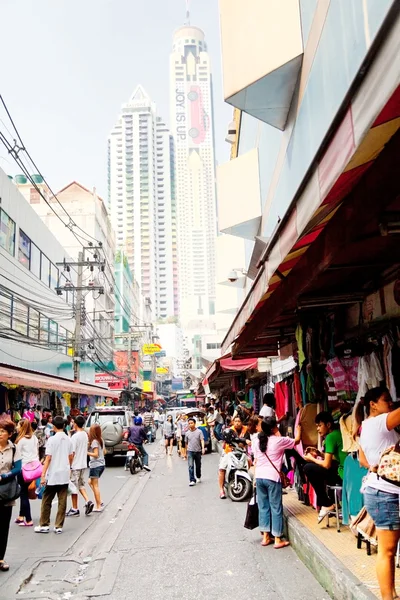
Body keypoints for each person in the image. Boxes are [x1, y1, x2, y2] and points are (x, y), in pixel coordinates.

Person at [356, 387, 400, 600]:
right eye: (387, 400)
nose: (391, 403)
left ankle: (391, 594)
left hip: (380, 489)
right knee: (387, 551)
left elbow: (363, 461)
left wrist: (377, 465)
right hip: (385, 494)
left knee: (388, 551)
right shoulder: (377, 423)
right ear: (373, 404)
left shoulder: (365, 427)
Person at [253, 417, 301, 548]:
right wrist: (299, 429)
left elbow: (256, 459)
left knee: (263, 507)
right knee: (276, 507)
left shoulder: (258, 441)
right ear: (274, 427)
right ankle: (278, 538)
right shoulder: (279, 440)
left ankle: (265, 537)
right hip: (272, 478)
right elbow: (296, 441)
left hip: (259, 477)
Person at [303, 411, 346, 523]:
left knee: (308, 468)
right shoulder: (337, 433)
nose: (318, 429)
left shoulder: (330, 437)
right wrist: (319, 454)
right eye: (316, 426)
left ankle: (326, 503)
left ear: (328, 425)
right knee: (315, 469)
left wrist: (312, 459)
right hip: (345, 470)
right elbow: (336, 458)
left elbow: (327, 465)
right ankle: (328, 502)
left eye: (320, 425)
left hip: (342, 473)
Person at [35, 416, 73, 534]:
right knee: (62, 500)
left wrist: (43, 475)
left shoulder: (52, 440)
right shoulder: (68, 439)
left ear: (54, 427)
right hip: (64, 473)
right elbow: (71, 456)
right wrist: (68, 466)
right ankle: (58, 526)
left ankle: (44, 524)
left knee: (47, 499)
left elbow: (48, 458)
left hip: (53, 473)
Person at [0, 417, 21, 571]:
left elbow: (18, 468)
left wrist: (5, 475)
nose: (0, 434)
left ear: (9, 434)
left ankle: (1, 558)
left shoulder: (14, 448)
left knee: (3, 527)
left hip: (6, 491)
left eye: (2, 431)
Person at [66, 415, 94, 517]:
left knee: (73, 487)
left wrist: (69, 466)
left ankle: (75, 508)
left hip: (75, 465)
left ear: (76, 424)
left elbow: (72, 453)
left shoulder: (75, 437)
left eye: (73, 422)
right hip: (82, 464)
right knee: (80, 485)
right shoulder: (85, 435)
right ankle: (88, 501)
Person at [15, 418, 39, 527]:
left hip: (24, 469)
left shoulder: (21, 441)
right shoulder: (34, 438)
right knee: (23, 490)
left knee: (23, 493)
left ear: (22, 427)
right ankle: (21, 516)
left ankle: (28, 519)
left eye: (18, 425)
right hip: (34, 468)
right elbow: (37, 451)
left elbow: (17, 456)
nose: (16, 427)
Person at [218, 415, 249, 499]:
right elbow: (234, 441)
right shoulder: (229, 431)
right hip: (229, 452)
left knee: (250, 464)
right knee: (222, 468)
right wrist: (241, 441)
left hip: (242, 452)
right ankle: (221, 490)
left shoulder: (246, 430)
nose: (237, 423)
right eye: (235, 421)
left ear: (242, 422)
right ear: (233, 422)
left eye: (239, 421)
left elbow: (246, 442)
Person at [87, 424, 106, 512]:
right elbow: (104, 452)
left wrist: (86, 452)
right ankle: (100, 501)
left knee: (95, 485)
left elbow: (96, 454)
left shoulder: (94, 441)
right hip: (102, 464)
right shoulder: (101, 439)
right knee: (90, 482)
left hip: (95, 464)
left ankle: (98, 505)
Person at [185, 417, 205, 486]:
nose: (190, 424)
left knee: (198, 465)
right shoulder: (187, 433)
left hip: (198, 451)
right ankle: (192, 480)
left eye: (191, 423)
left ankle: (198, 476)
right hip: (190, 451)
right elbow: (186, 443)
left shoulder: (199, 432)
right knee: (190, 466)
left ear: (194, 423)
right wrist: (186, 452)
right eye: (189, 423)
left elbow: (202, 440)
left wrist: (202, 448)